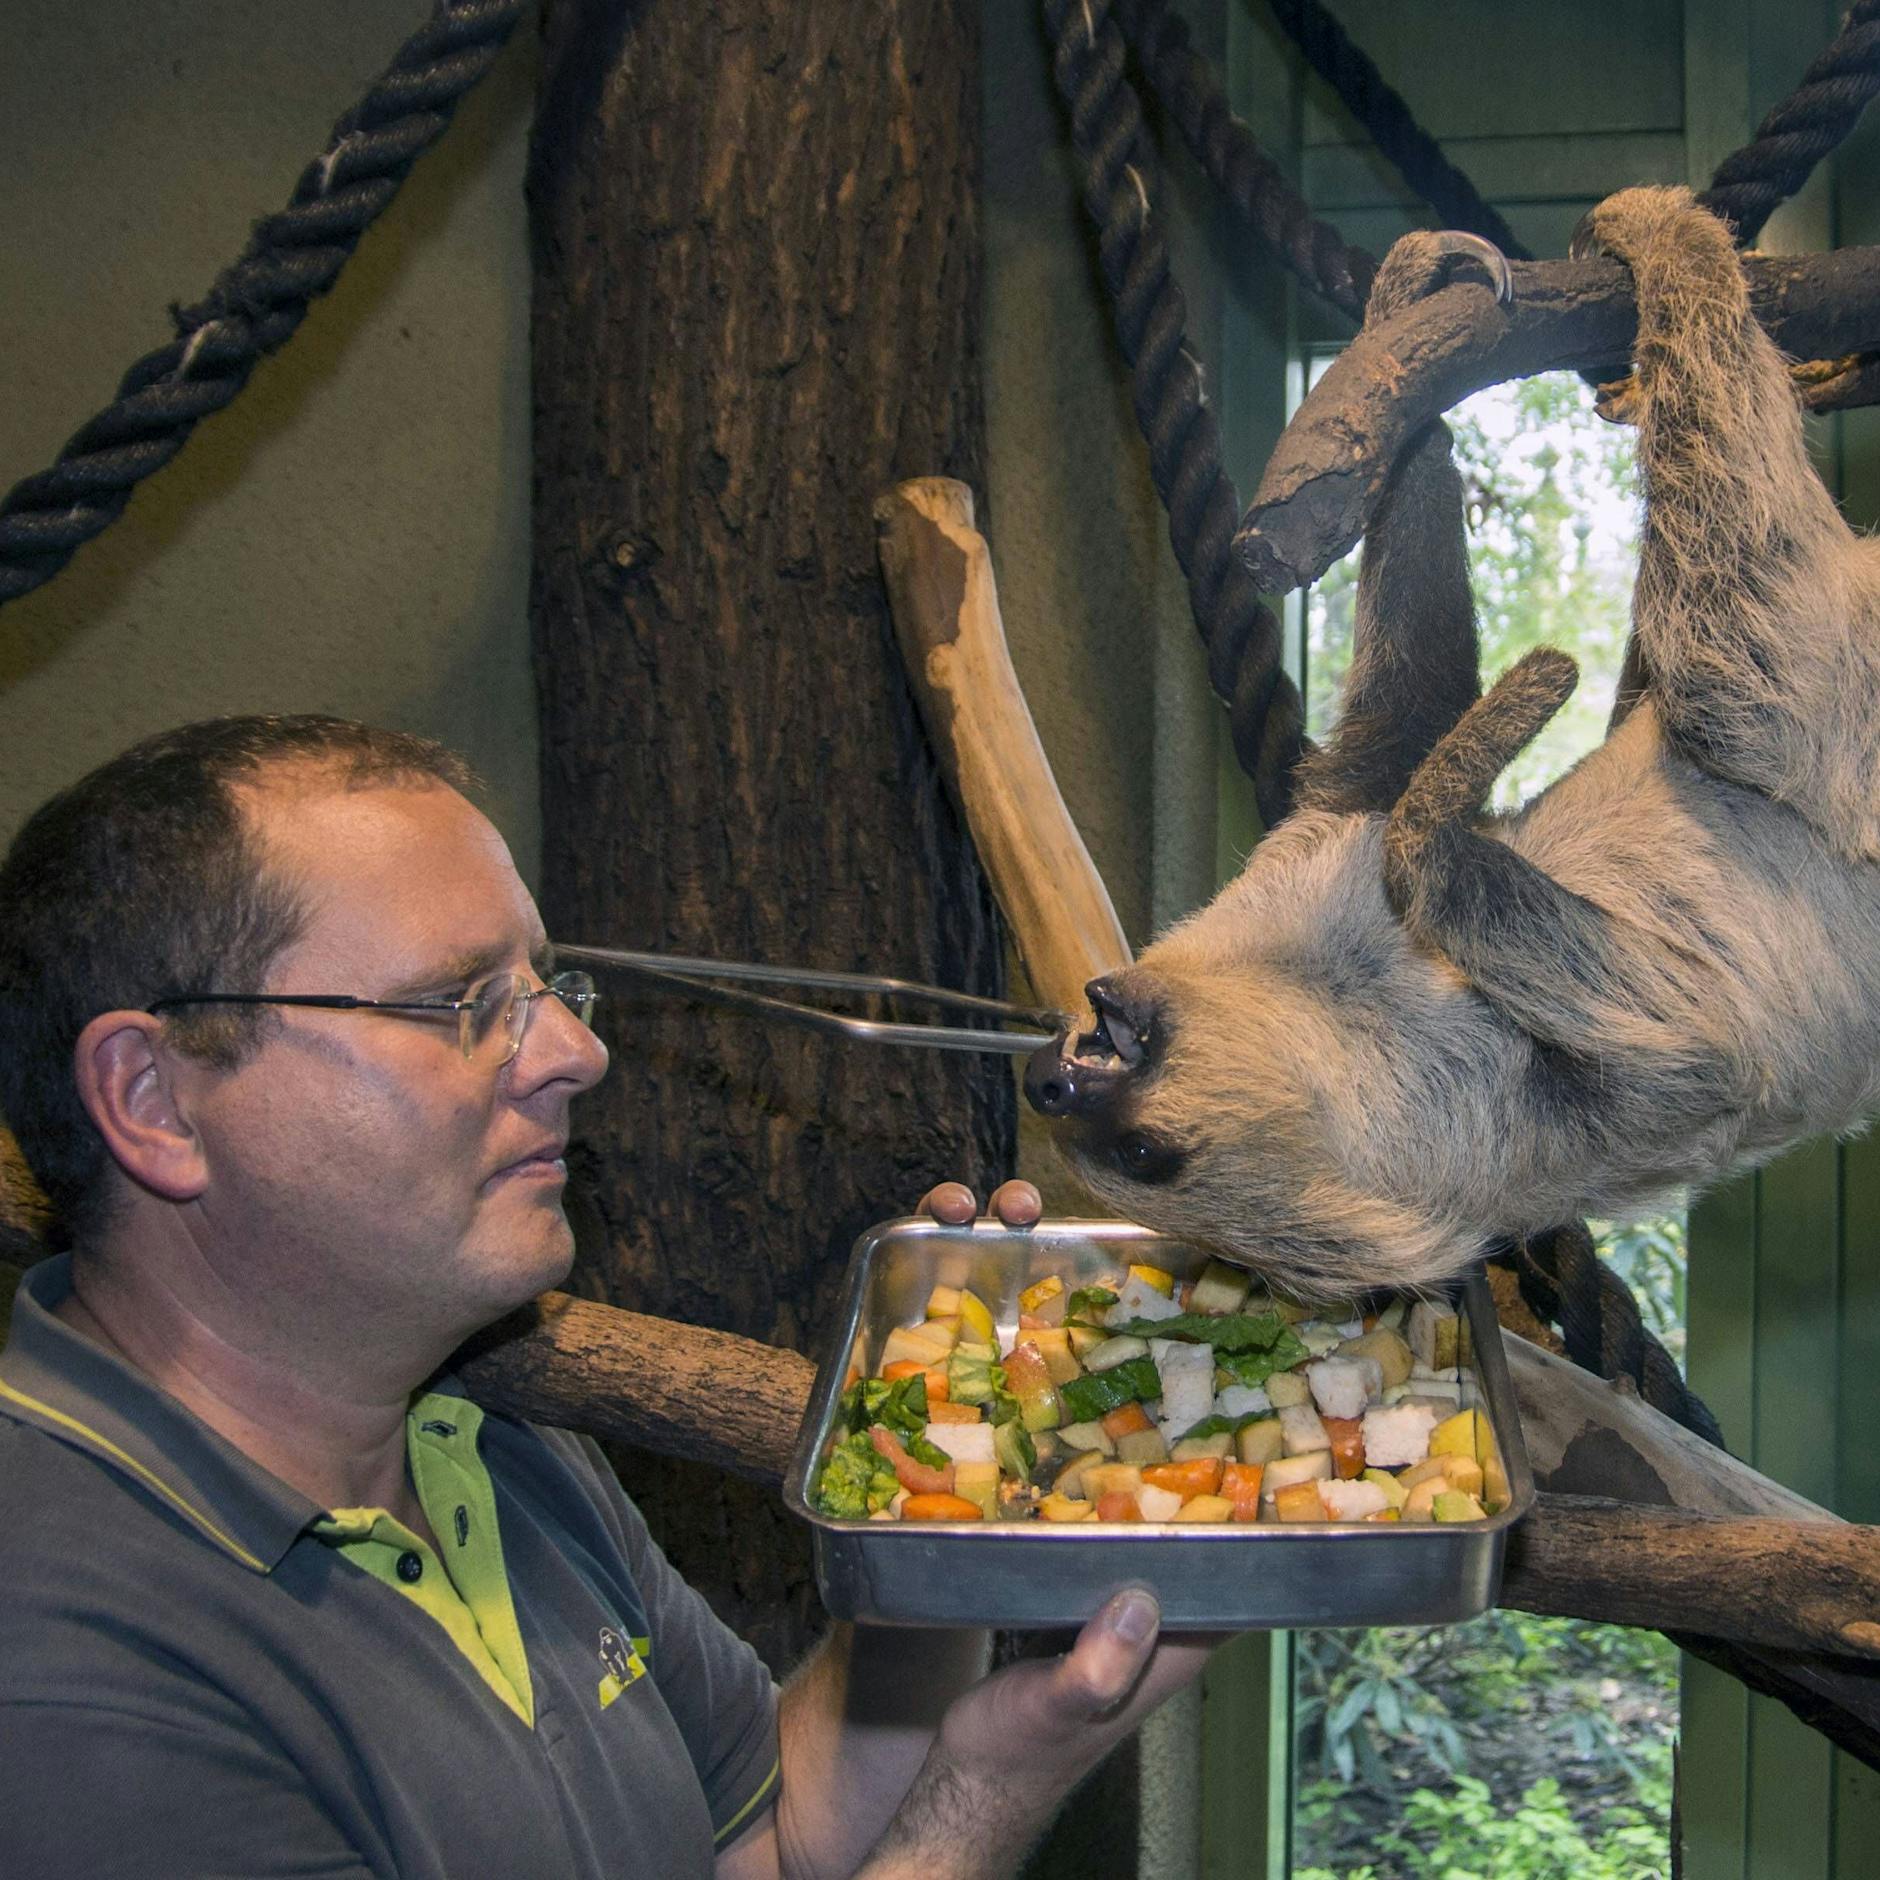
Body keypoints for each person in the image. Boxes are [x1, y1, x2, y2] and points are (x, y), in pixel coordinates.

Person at [0, 716, 1210, 1879]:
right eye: (459, 1002)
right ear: (153, 1100)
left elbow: (772, 1844)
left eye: (548, 986)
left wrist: (939, 1490)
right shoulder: (59, 1657)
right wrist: (990, 1800)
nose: (578, 1054)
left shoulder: (490, 1441)